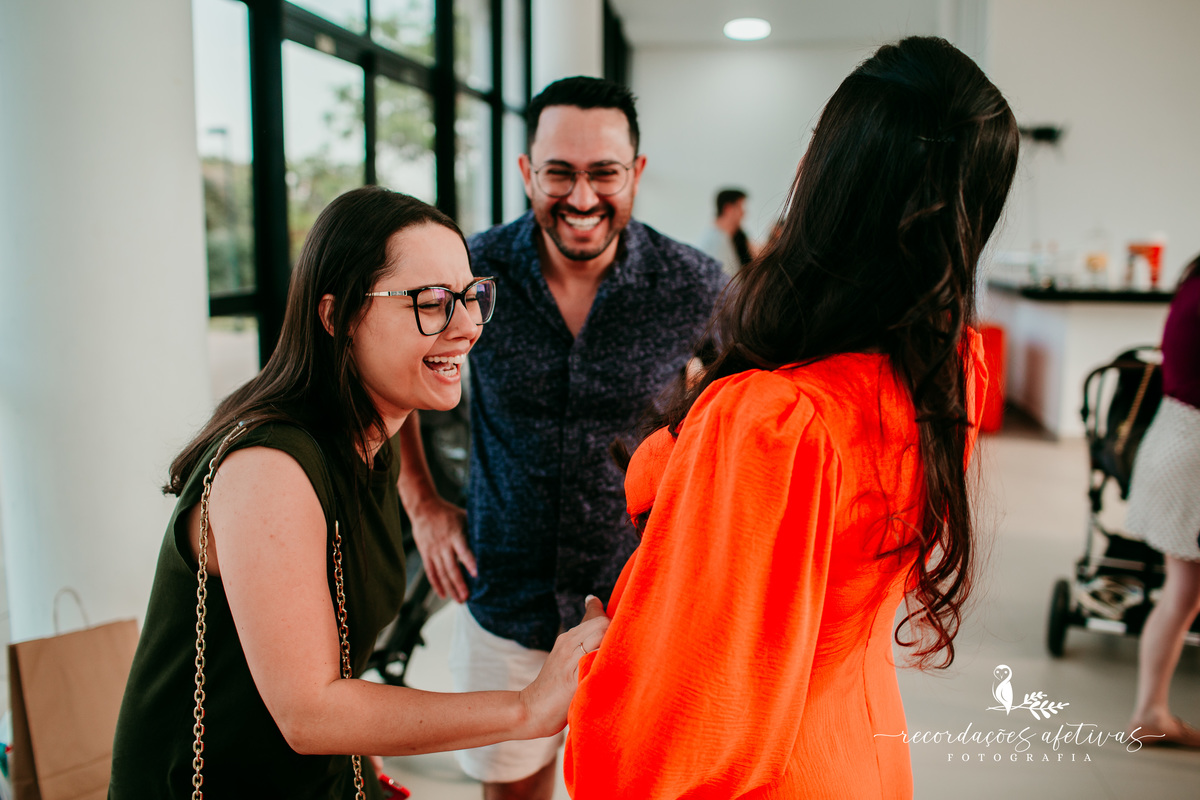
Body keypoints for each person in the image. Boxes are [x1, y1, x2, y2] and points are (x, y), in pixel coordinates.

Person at [564, 36, 1019, 799]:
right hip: (860, 749)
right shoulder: (950, 369)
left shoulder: (776, 420)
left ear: (832, 177)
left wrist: (602, 656)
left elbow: (672, 731)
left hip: (771, 774)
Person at [109, 187, 608, 799]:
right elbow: (310, 712)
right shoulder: (269, 468)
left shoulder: (375, 435)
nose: (469, 326)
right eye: (431, 302)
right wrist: (527, 708)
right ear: (337, 316)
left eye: (471, 295)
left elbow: (331, 669)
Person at [396, 76, 724, 799]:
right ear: (526, 172)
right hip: (503, 592)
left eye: (604, 172)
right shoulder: (469, 272)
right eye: (559, 173)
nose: (581, 198)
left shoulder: (695, 284)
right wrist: (421, 502)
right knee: (512, 792)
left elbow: (745, 415)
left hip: (644, 602)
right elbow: (391, 374)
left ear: (635, 173)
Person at [1124, 253, 1200, 747]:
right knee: (1182, 595)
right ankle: (1149, 711)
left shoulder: (1192, 283)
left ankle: (1150, 710)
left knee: (1182, 594)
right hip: (1193, 451)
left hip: (1174, 437)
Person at [698, 187, 755, 278]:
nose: (743, 213)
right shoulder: (714, 241)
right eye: (740, 207)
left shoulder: (736, 237)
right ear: (728, 208)